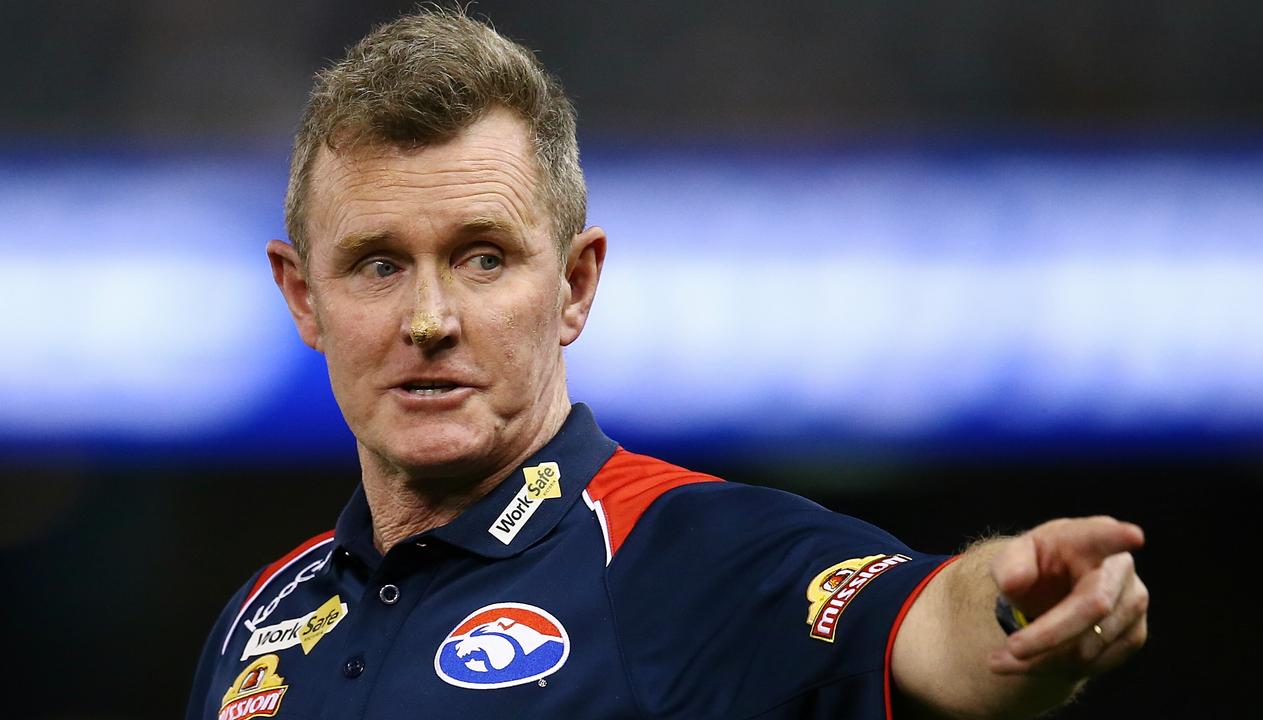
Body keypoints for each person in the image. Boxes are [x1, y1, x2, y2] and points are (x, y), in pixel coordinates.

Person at [185, 8, 1148, 720]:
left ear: (574, 285)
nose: (430, 319)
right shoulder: (257, 623)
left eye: (484, 258)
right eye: (378, 264)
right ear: (303, 297)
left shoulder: (692, 555)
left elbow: (928, 623)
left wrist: (1020, 601)